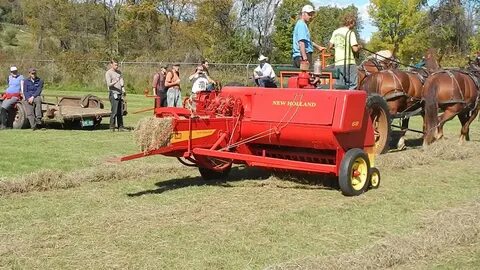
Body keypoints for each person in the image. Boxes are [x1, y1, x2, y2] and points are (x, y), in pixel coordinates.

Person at [328, 13, 361, 90]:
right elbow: (355, 49)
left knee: (339, 86)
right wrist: (359, 47)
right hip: (349, 63)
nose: (354, 26)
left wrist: (338, 47)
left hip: (338, 63)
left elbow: (330, 46)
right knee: (352, 84)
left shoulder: (335, 32)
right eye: (354, 24)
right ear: (351, 23)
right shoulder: (350, 33)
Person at [105, 59, 125, 131]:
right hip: (113, 93)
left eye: (117, 65)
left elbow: (121, 81)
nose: (117, 66)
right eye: (115, 65)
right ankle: (112, 127)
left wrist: (123, 90)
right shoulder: (108, 73)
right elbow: (109, 84)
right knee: (114, 111)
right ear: (111, 65)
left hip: (120, 93)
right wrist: (115, 81)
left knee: (120, 111)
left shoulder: (119, 72)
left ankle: (121, 127)